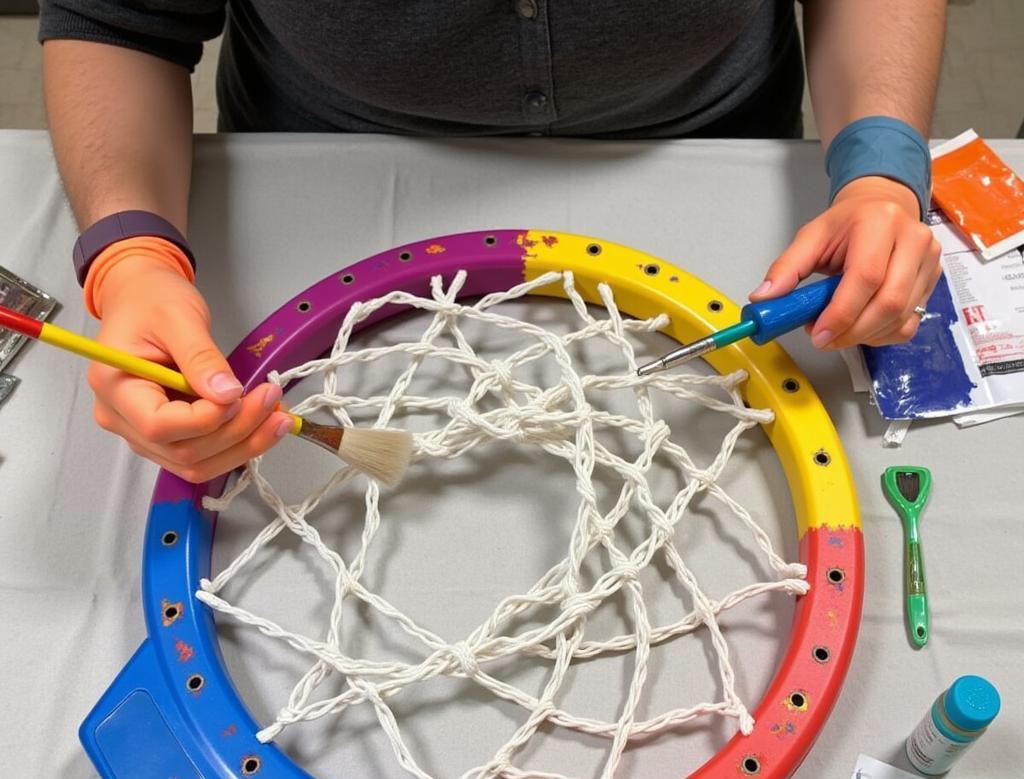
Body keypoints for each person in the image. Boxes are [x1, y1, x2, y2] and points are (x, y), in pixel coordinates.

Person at [38, 0, 946, 483]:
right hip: (322, 170)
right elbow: (119, 18)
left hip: (718, 152)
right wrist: (133, 257)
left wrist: (876, 161)